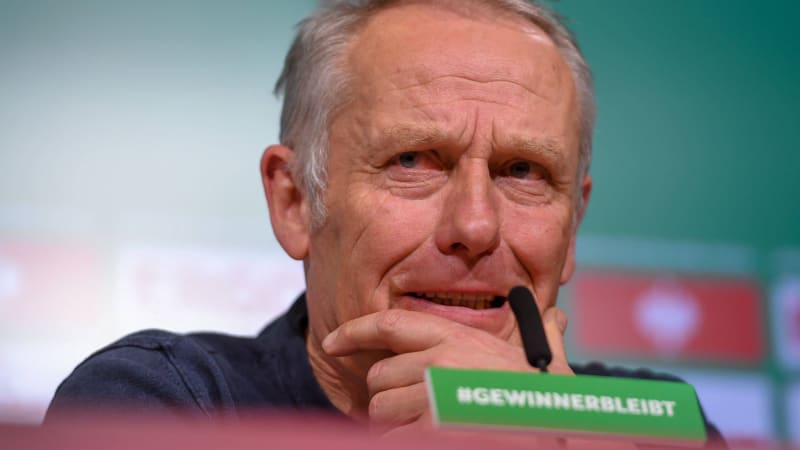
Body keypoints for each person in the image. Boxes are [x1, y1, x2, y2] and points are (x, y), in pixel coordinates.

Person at [47, 0, 723, 444]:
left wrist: (553, 430)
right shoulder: (164, 403)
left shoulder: (662, 428)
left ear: (572, 226)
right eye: (413, 160)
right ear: (295, 203)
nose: (477, 226)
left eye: (522, 172)